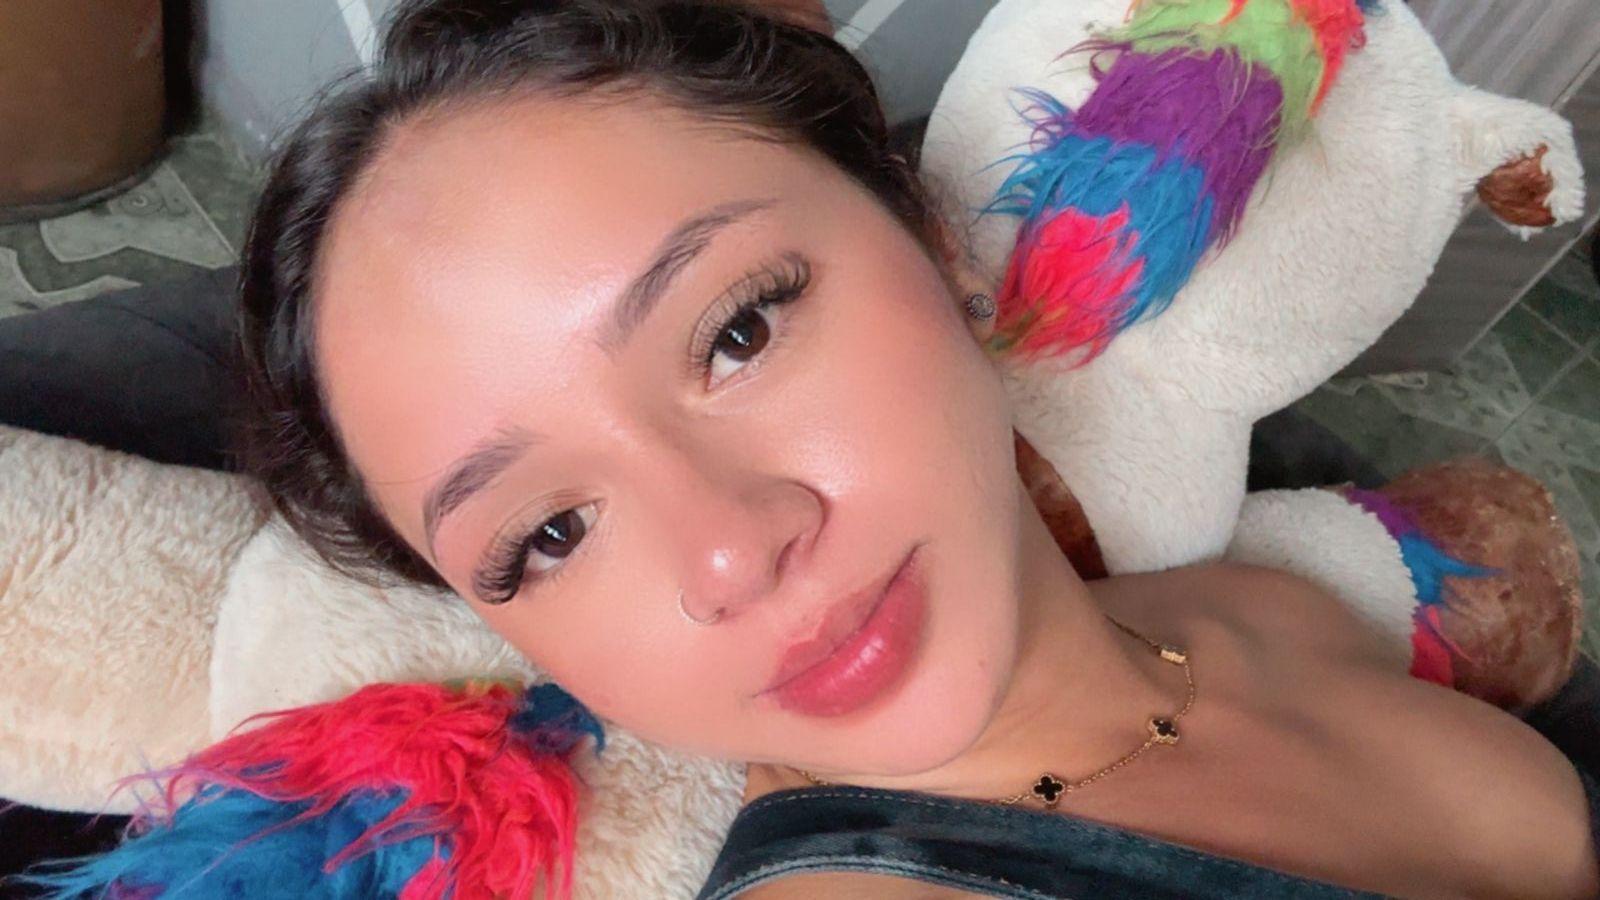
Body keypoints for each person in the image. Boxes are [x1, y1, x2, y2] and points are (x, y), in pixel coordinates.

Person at [231, 1, 1600, 896]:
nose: (730, 550)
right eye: (548, 534)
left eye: (738, 331)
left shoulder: (1259, 607)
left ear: (938, 247)